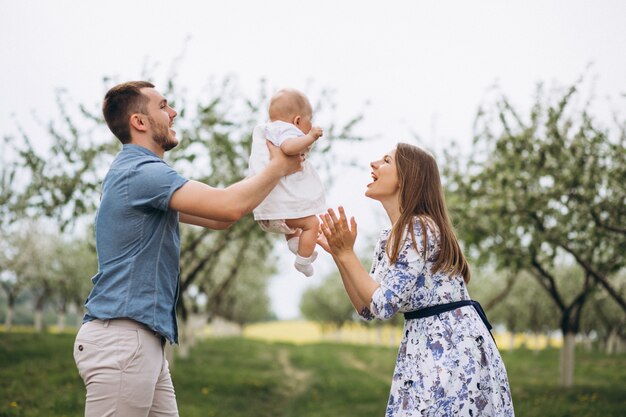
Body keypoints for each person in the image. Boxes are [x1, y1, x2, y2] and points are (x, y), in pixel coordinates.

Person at [72, 81, 303, 417]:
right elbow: (228, 207)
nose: (174, 112)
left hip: (139, 341)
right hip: (123, 341)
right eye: (164, 106)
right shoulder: (141, 172)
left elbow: (221, 218)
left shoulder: (141, 175)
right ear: (139, 122)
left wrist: (272, 177)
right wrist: (279, 166)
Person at [317, 143, 514, 416]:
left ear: (408, 178)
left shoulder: (419, 227)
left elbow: (384, 304)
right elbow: (367, 308)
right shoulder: (390, 237)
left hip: (451, 350)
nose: (374, 164)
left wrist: (348, 254)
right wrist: (340, 256)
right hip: (423, 345)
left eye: (386, 160)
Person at [248, 88, 326, 277]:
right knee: (312, 223)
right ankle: (303, 261)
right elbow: (288, 147)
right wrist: (310, 136)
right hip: (278, 211)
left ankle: (294, 242)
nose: (311, 125)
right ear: (297, 121)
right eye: (310, 120)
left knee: (295, 214)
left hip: (268, 211)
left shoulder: (269, 130)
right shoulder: (285, 130)